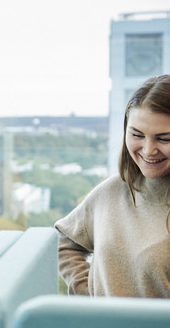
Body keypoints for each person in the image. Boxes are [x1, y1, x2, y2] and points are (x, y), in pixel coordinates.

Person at [56, 74, 170, 297]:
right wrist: (88, 291)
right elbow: (65, 241)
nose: (148, 150)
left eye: (164, 138)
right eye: (137, 135)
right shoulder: (112, 190)